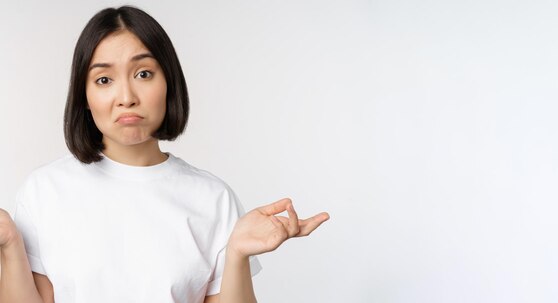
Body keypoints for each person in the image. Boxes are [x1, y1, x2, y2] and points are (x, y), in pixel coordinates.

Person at [0, 5, 329, 303]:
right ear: (85, 97)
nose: (126, 97)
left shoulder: (212, 198)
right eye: (104, 79)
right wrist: (10, 244)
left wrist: (237, 254)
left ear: (168, 82)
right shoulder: (45, 190)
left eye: (143, 74)